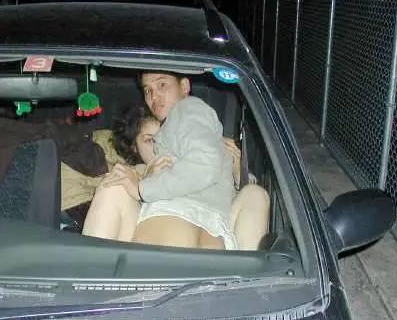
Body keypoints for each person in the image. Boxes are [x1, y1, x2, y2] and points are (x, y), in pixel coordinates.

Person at [82, 102, 270, 250]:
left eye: (165, 138)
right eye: (150, 140)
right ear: (134, 148)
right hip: (149, 235)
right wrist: (146, 182)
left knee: (255, 193)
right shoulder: (134, 173)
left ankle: (255, 278)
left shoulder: (198, 164)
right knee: (114, 184)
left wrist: (237, 173)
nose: (159, 146)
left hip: (216, 230)